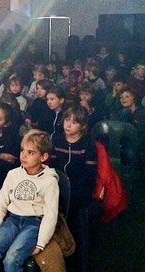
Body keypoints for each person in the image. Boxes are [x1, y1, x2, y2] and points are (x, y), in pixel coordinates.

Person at [0, 129, 59, 272]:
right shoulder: (13, 174)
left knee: (12, 258)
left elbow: (51, 214)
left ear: (43, 156)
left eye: (31, 153)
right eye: (23, 150)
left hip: (33, 224)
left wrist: (41, 243)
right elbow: (2, 200)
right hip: (12, 221)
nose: (24, 155)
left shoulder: (49, 181)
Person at [48, 106, 97, 271]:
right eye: (67, 120)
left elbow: (89, 174)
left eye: (74, 122)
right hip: (59, 186)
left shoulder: (88, 144)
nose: (68, 125)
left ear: (82, 126)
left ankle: (77, 258)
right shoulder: (57, 139)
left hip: (79, 189)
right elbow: (53, 167)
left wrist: (72, 191)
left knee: (75, 213)